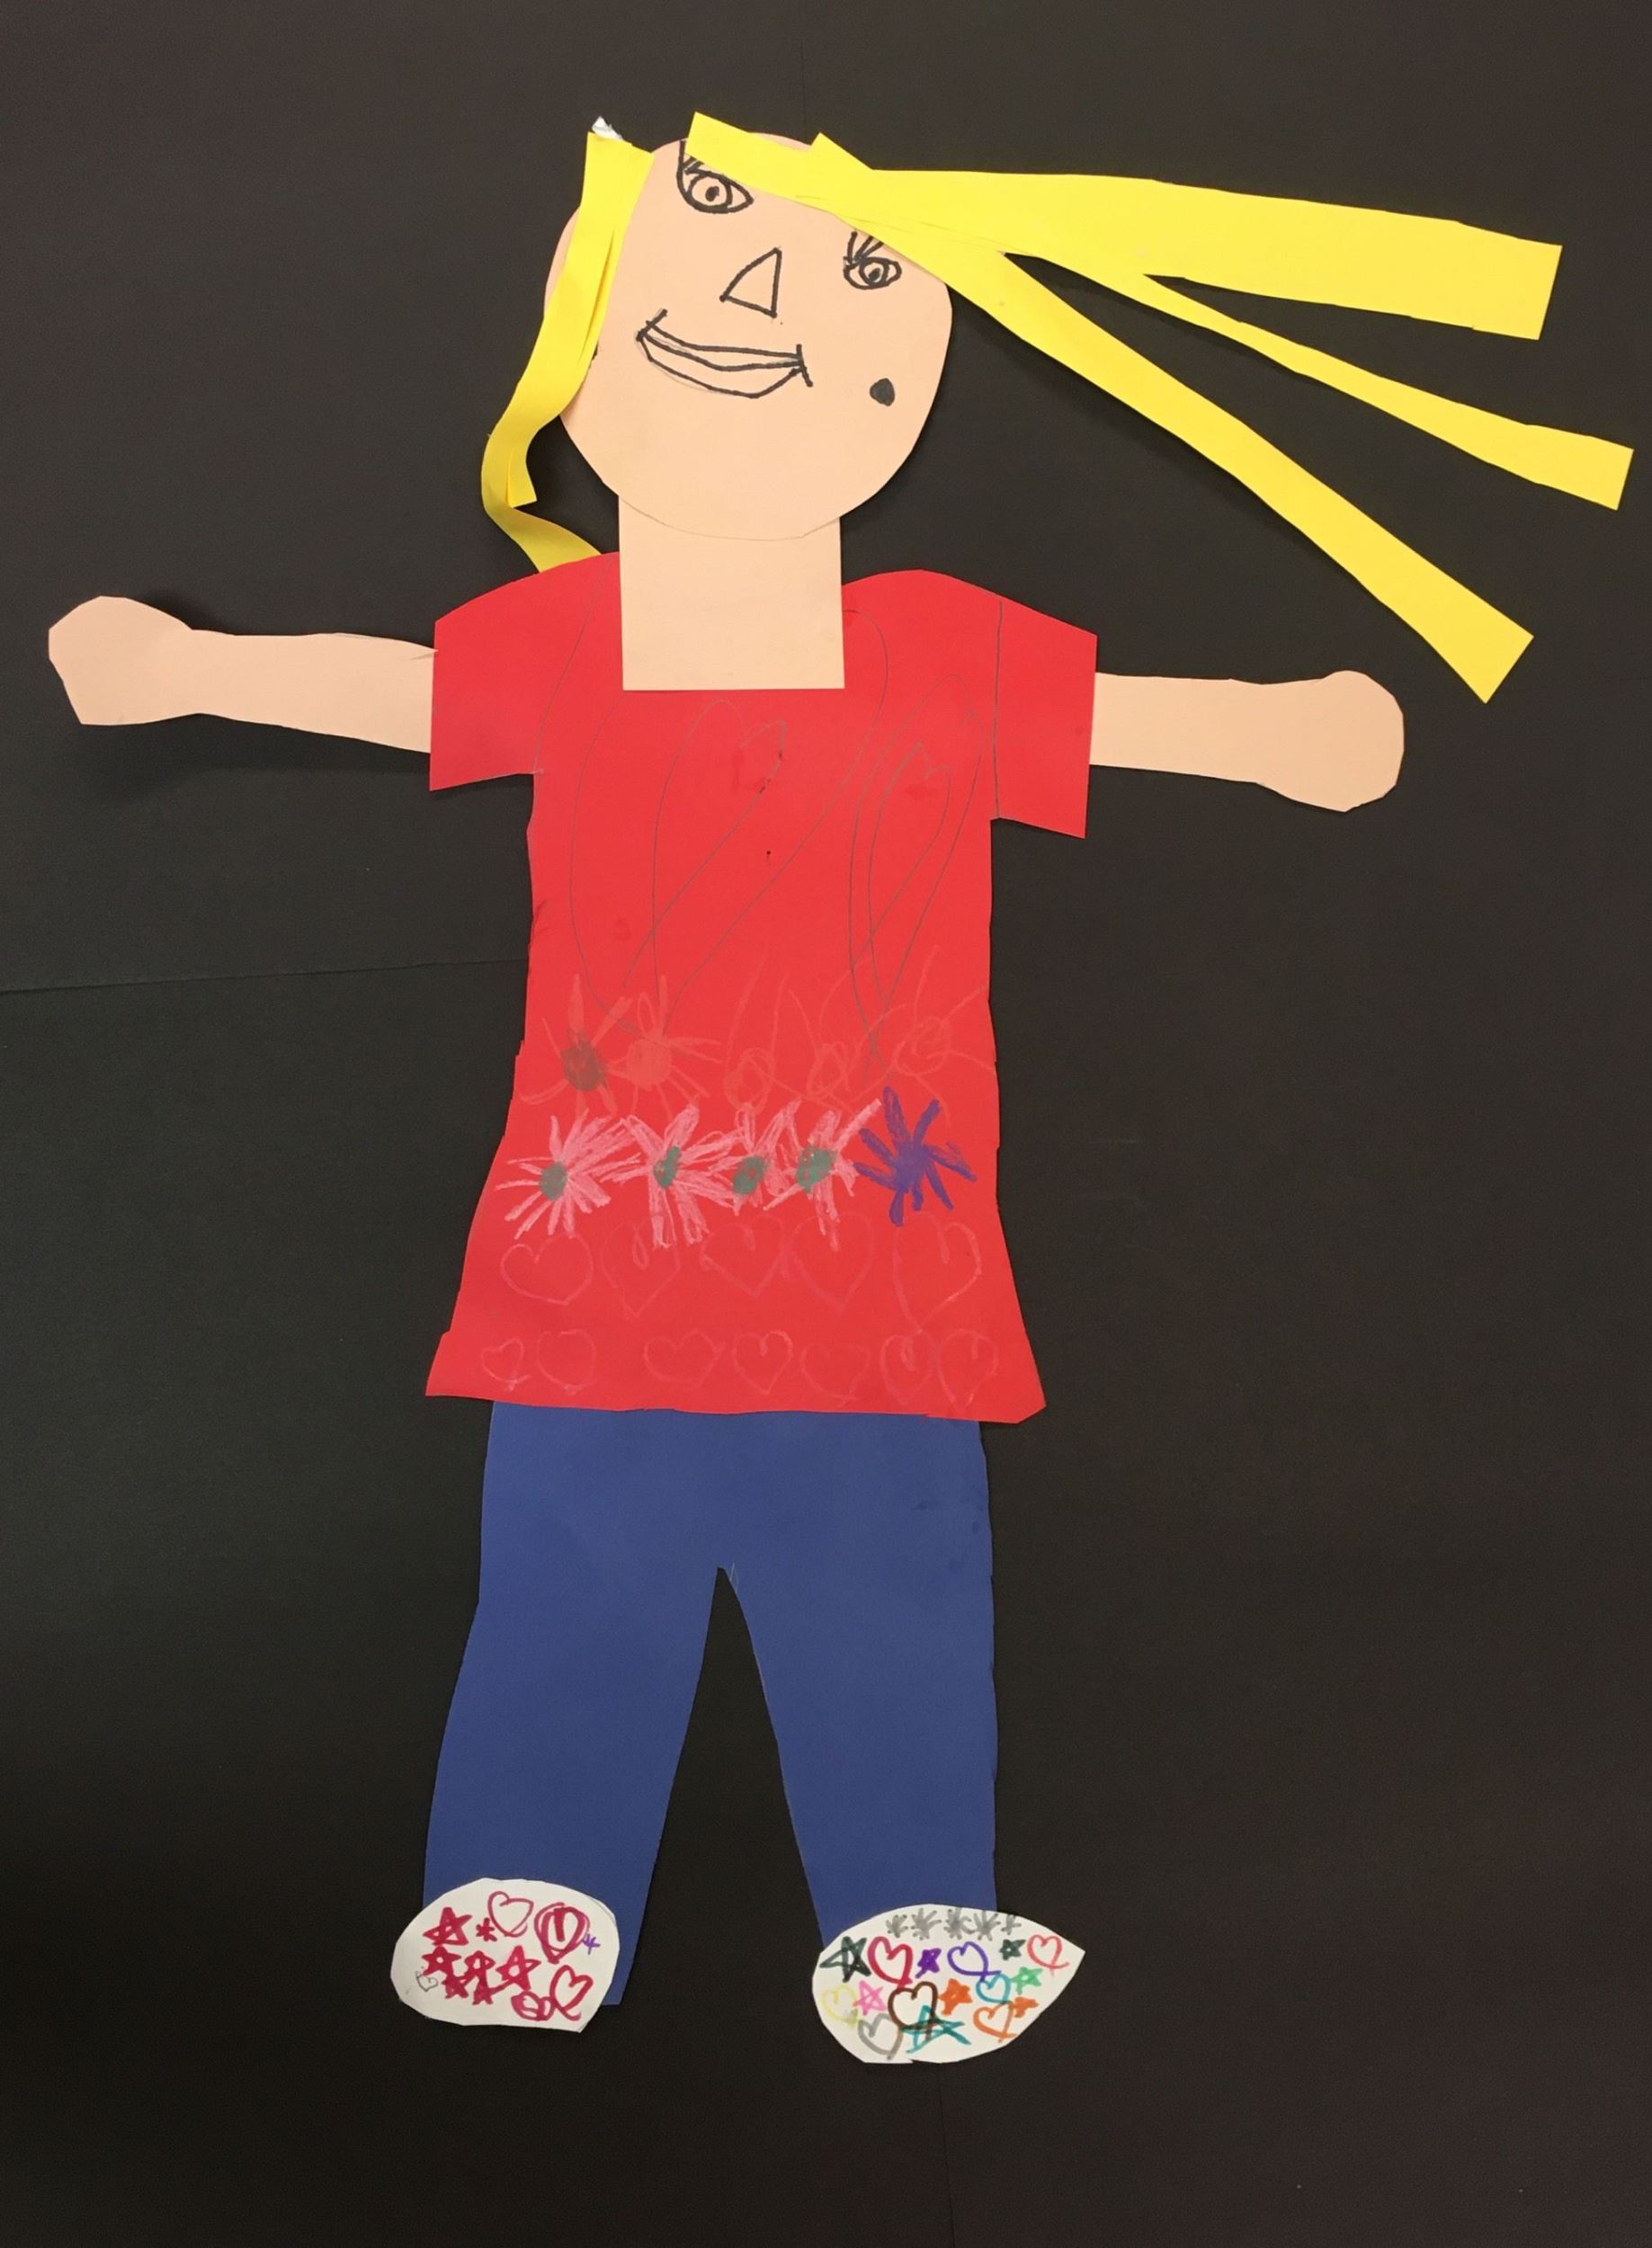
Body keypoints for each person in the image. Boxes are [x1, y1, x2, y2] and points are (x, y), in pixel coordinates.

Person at [47, 118, 1617, 2064]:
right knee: (579, 1577)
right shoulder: (570, 643)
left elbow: (1113, 716)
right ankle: (532, 1885)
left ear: (893, 394)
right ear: (588, 371)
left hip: (870, 1261)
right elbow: (398, 686)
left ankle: (905, 1920)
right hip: (609, 1257)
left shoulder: (934, 643)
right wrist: (195, 668)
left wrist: (1271, 730)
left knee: (875, 1585)